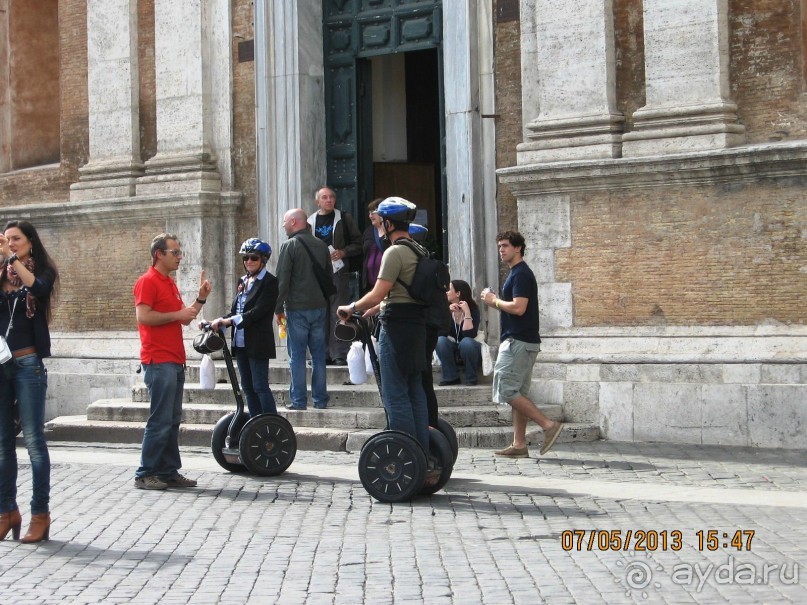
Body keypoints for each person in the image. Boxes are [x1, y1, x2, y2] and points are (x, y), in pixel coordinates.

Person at [337, 197, 431, 456]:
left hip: (397, 327)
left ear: (388, 223)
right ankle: (421, 451)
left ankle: (403, 455)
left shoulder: (394, 251)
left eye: (381, 221)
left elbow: (379, 292)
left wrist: (350, 307)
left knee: (394, 393)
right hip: (415, 325)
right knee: (414, 390)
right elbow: (401, 291)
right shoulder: (418, 249)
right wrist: (372, 309)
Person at [133, 233, 211, 489]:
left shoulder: (168, 283)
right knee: (160, 419)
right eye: (175, 252)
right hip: (158, 359)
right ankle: (145, 473)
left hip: (174, 359)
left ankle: (167, 471)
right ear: (159, 254)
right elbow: (144, 317)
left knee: (172, 418)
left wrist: (200, 299)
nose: (180, 257)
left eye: (180, 253)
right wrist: (177, 313)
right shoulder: (147, 281)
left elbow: (185, 318)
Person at [0, 221, 59, 543]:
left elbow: (37, 288)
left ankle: (40, 514)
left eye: (16, 239)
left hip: (28, 365)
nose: (11, 243)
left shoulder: (43, 271)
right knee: (2, 444)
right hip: (1, 368)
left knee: (34, 441)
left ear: (29, 243)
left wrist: (12, 260)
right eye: (6, 239)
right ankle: (6, 512)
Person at [481, 230, 563, 458]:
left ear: (518, 248)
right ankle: (519, 445)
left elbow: (519, 308)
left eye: (505, 246)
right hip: (523, 341)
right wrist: (497, 299)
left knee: (507, 389)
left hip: (519, 341)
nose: (502, 250)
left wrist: (493, 301)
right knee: (518, 392)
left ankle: (548, 425)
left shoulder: (521, 274)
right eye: (499, 247)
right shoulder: (516, 274)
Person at [210, 238, 278, 417]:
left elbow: (258, 312)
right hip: (240, 342)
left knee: (260, 386)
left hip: (258, 341)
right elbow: (236, 310)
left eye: (253, 258)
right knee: (247, 387)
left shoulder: (269, 282)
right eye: (245, 258)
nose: (248, 261)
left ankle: (271, 422)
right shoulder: (243, 281)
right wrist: (218, 321)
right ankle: (256, 422)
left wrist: (229, 321)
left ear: (263, 260)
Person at [275, 209, 332, 410]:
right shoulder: (321, 245)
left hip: (297, 308)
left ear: (293, 222)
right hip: (319, 307)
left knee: (297, 356)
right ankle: (320, 399)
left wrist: (277, 308)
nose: (283, 225)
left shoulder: (289, 246)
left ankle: (299, 401)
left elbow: (282, 281)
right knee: (318, 356)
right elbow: (328, 277)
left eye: (284, 222)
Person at [307, 187, 363, 365]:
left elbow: (358, 243)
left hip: (339, 272)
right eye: (325, 197)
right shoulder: (310, 222)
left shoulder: (344, 219)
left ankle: (339, 353)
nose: (329, 200)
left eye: (331, 197)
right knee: (320, 313)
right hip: (318, 273)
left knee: (338, 311)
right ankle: (322, 354)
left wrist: (343, 252)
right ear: (318, 202)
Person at [435, 279, 483, 386]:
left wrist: (467, 313)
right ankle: (451, 377)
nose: (446, 291)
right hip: (451, 349)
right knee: (440, 341)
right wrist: (447, 313)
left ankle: (471, 377)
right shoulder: (445, 309)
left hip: (470, 350)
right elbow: (440, 333)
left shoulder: (473, 309)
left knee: (467, 342)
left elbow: (470, 335)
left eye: (449, 289)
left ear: (458, 293)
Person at [361, 198, 384, 295]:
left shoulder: (391, 231)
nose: (370, 216)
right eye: (369, 212)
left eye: (373, 211)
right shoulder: (368, 231)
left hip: (387, 284)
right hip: (369, 285)